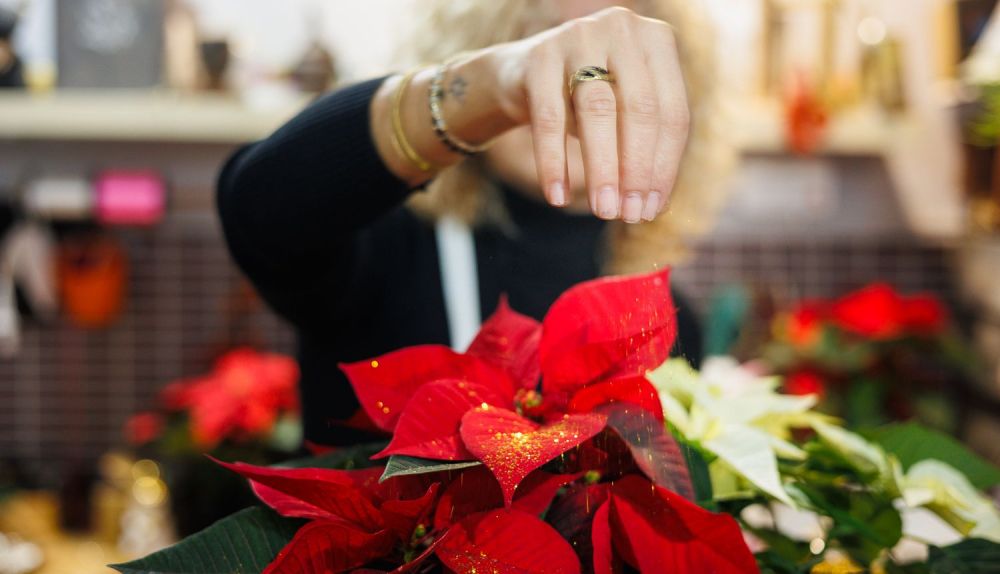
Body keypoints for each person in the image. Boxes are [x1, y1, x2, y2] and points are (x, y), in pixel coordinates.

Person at [217, 0, 731, 448]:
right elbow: (258, 208)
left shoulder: (666, 318)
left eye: (608, 67)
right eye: (534, 45)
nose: (572, 87)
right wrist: (496, 87)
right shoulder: (383, 252)